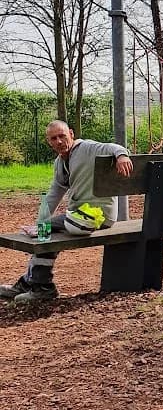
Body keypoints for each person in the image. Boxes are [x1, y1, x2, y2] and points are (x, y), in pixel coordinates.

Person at [0, 121, 133, 304]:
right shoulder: (60, 163)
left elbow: (113, 146)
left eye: (62, 136)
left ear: (71, 133)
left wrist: (122, 156)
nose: (60, 141)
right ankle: (35, 283)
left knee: (44, 230)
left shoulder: (87, 148)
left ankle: (38, 286)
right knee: (44, 233)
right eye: (54, 138)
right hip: (78, 218)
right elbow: (54, 194)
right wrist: (41, 221)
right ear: (49, 142)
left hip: (97, 217)